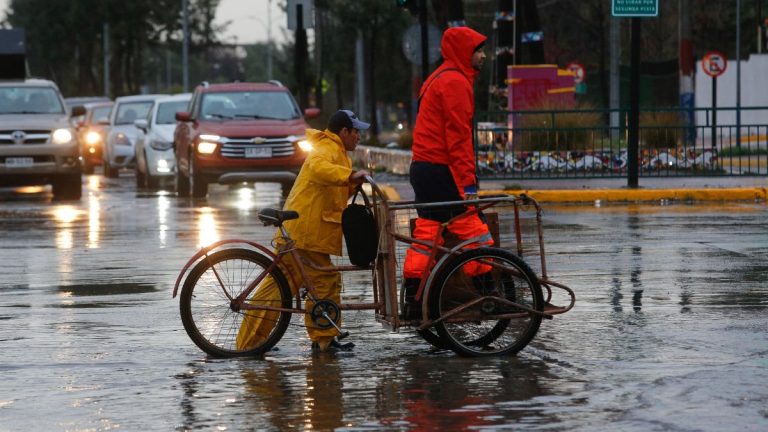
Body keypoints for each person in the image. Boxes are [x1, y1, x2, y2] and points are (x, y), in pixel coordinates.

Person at [236, 109, 371, 352]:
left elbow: (329, 189)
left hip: (307, 232)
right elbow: (320, 169)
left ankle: (254, 342)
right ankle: (323, 340)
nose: (359, 137)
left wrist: (350, 182)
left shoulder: (336, 151)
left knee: (285, 287)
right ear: (344, 131)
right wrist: (349, 175)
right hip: (307, 234)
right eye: (356, 132)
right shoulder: (326, 149)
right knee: (322, 280)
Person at [402, 26, 494, 316]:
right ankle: (490, 294)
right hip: (441, 169)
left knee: (427, 234)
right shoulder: (455, 82)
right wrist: (468, 187)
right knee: (472, 229)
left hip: (424, 168)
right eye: (478, 50)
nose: (483, 56)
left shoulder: (438, 78)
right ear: (464, 52)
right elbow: (458, 139)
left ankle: (414, 299)